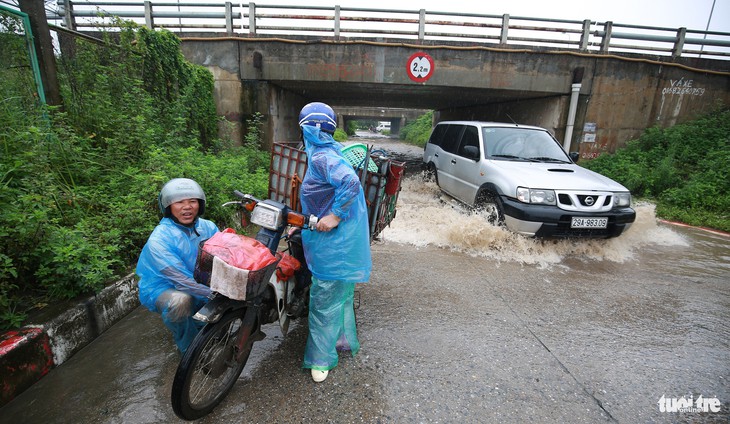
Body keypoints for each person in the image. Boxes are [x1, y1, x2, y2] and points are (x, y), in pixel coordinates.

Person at [297, 102, 372, 383]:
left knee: (324, 299)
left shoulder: (321, 158)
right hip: (340, 239)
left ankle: (321, 359)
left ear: (306, 130)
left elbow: (350, 183)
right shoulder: (328, 150)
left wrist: (335, 216)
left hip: (335, 240)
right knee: (339, 295)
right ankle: (339, 339)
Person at [136, 178, 220, 353]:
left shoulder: (208, 227)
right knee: (181, 301)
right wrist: (215, 294)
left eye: (192, 201)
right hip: (163, 287)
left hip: (198, 280)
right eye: (179, 202)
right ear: (168, 207)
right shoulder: (160, 239)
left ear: (200, 204)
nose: (187, 207)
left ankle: (204, 326)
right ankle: (190, 350)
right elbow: (181, 280)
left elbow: (224, 256)